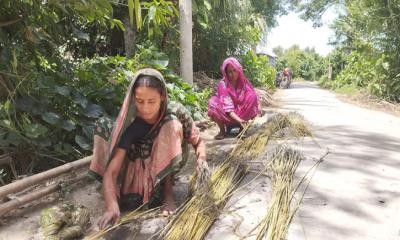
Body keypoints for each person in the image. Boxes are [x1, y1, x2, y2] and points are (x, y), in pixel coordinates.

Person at [88, 68, 208, 229]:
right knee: (103, 125)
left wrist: (201, 160)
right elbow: (112, 171)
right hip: (136, 169)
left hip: (163, 167)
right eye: (139, 101)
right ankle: (120, 193)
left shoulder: (175, 111)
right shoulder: (130, 122)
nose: (145, 108)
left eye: (152, 101)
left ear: (162, 97)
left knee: (170, 124)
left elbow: (198, 143)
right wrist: (111, 206)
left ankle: (167, 193)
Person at [207, 57, 260, 140]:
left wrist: (257, 109)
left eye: (235, 70)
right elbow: (228, 108)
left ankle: (242, 128)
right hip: (227, 114)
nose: (233, 74)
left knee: (252, 96)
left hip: (242, 113)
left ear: (238, 70)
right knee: (213, 103)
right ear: (226, 73)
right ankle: (222, 131)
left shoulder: (244, 82)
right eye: (230, 72)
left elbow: (254, 98)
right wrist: (239, 120)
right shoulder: (223, 84)